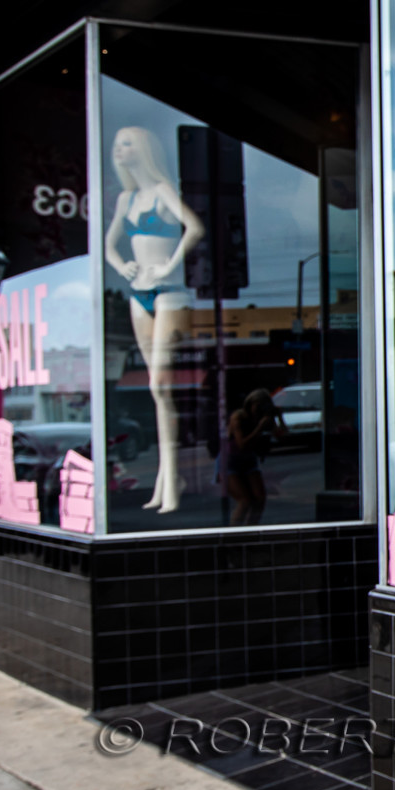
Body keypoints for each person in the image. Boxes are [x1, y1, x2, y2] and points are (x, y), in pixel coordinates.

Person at [104, 126, 204, 514]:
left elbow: (194, 227)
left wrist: (170, 265)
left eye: (126, 143)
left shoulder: (163, 191)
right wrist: (122, 266)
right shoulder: (126, 199)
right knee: (155, 388)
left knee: (162, 385)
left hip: (169, 292)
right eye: (116, 144)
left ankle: (171, 479)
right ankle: (167, 479)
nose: (118, 150)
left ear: (143, 149)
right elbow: (109, 245)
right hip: (139, 293)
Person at [225, 388, 286, 526]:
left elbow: (282, 437)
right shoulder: (239, 417)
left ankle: (250, 529)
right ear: (250, 405)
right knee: (245, 500)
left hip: (249, 461)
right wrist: (259, 428)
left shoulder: (264, 418)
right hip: (231, 461)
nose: (258, 411)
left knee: (259, 499)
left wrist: (280, 419)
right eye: (257, 407)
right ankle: (234, 536)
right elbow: (242, 445)